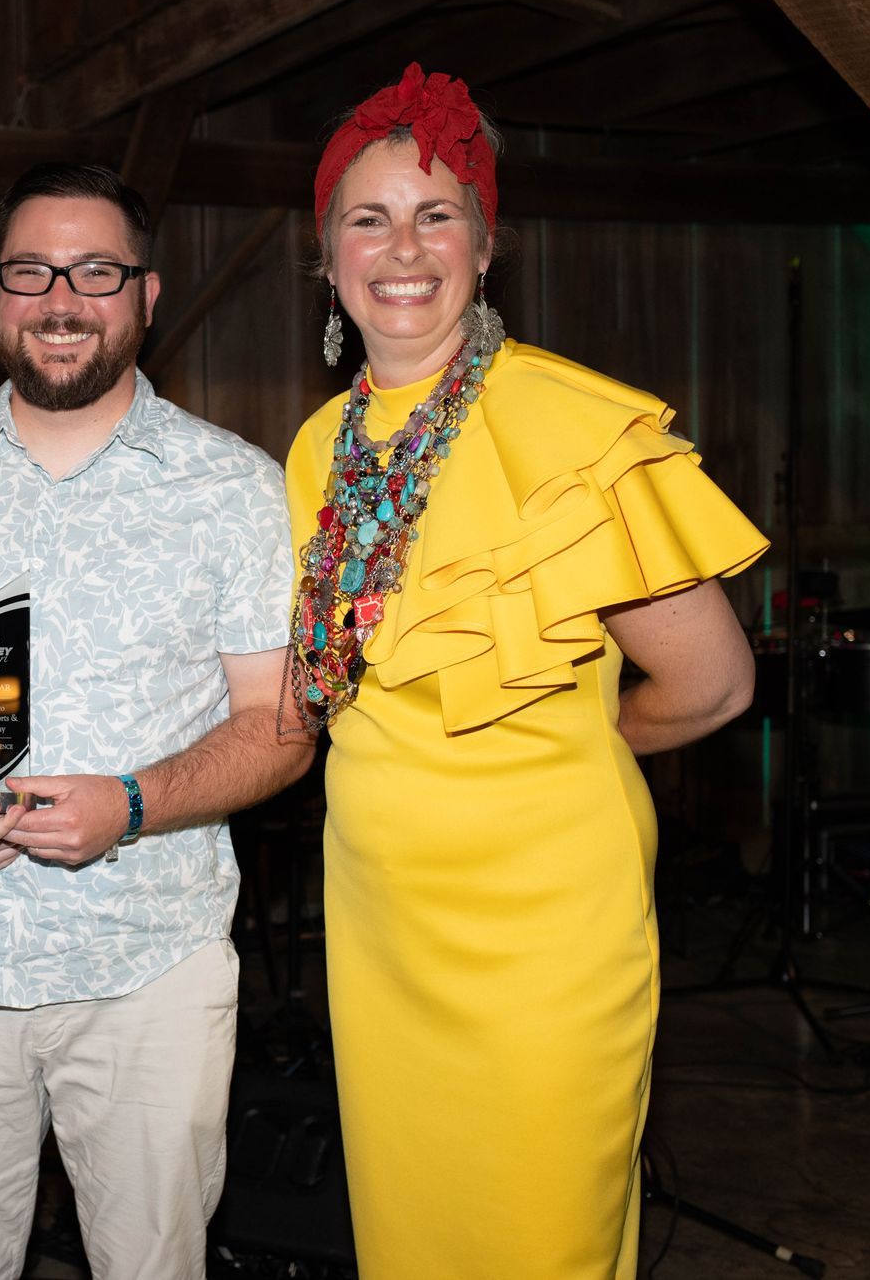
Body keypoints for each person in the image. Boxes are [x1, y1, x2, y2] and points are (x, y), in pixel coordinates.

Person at [284, 62, 767, 1277]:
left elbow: (712, 685)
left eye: (437, 212)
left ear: (487, 247)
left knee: (539, 1238)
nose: (405, 246)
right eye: (370, 216)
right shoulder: (311, 449)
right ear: (328, 255)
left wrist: (572, 754)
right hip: (383, 918)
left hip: (547, 929)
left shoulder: (566, 429)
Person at [0, 162, 313, 1280]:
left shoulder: (229, 487)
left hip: (150, 969)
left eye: (96, 271)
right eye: (31, 269)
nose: (60, 298)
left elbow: (282, 725)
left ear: (146, 294)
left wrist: (130, 808)